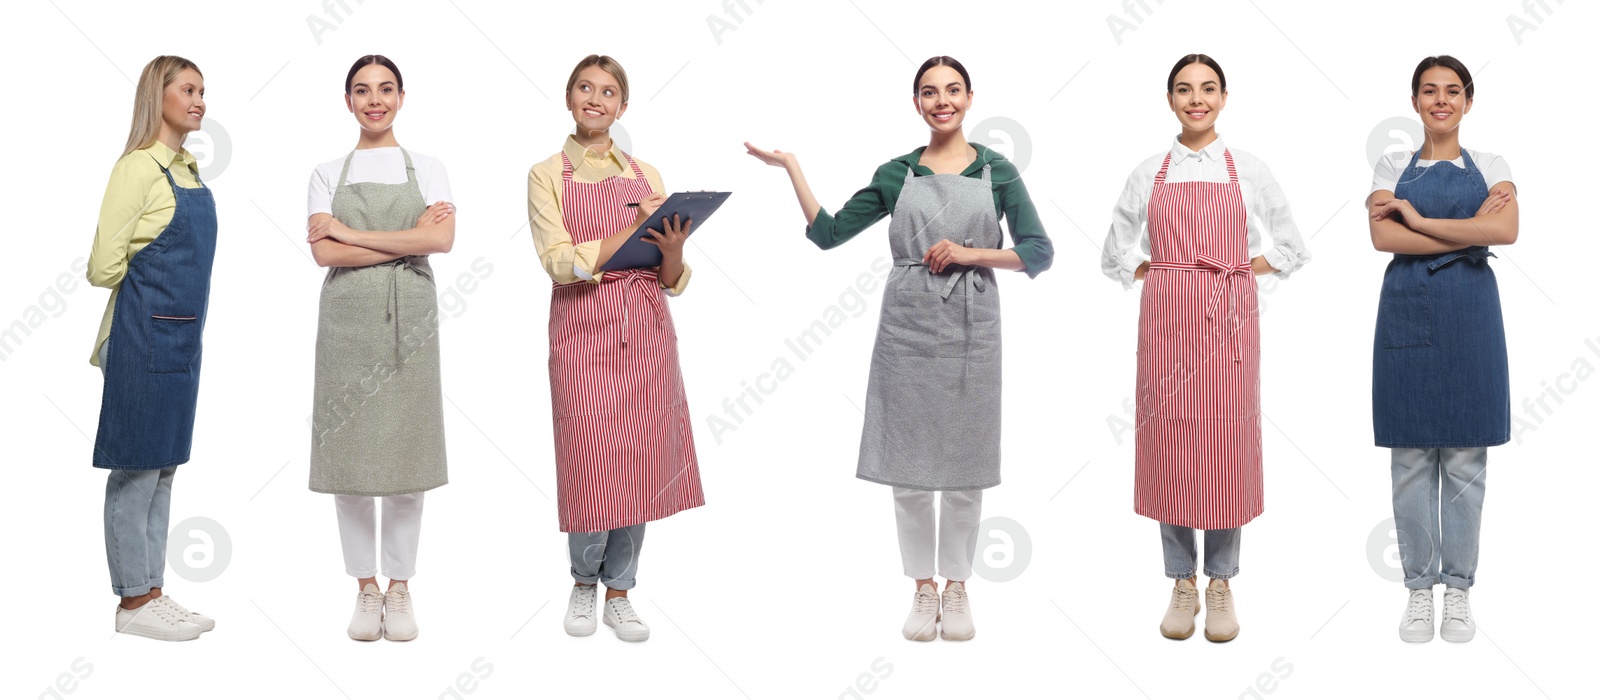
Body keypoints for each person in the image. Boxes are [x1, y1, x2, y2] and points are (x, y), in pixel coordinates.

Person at [746, 55, 1053, 641]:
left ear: (969, 98)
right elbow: (829, 234)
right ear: (916, 103)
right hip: (907, 327)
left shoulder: (999, 172)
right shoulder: (896, 173)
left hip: (972, 326)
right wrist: (791, 167)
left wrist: (970, 253)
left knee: (965, 466)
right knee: (908, 469)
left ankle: (957, 585)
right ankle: (922, 587)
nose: (942, 100)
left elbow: (1038, 252)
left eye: (953, 90)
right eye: (929, 92)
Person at [1100, 53, 1311, 643]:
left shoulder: (1248, 168)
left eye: (1208, 88)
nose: (1197, 99)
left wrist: (1238, 270)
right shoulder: (1149, 171)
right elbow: (1114, 253)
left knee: (1225, 442)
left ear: (1224, 97)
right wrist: (1167, 275)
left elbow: (1293, 245)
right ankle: (1179, 580)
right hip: (1167, 326)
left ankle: (1220, 580)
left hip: (1228, 325)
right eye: (1184, 90)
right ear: (1170, 100)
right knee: (1169, 440)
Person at [528, 54, 704, 643]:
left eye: (608, 92)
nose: (596, 99)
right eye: (585, 88)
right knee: (591, 455)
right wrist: (627, 237)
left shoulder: (647, 176)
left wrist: (672, 245)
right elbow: (557, 261)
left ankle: (621, 591)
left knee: (642, 458)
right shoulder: (546, 174)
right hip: (583, 327)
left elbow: (672, 277)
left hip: (646, 328)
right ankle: (584, 581)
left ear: (622, 107)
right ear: (570, 97)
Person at [305, 54, 455, 642]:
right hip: (345, 320)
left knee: (406, 457)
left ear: (401, 96)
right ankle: (364, 586)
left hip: (409, 320)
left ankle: (400, 586)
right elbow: (325, 255)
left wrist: (353, 232)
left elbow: (441, 239)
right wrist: (404, 239)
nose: (375, 100)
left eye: (386, 89)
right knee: (349, 460)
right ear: (348, 101)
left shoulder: (430, 166)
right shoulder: (323, 171)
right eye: (363, 91)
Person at [1368, 55, 1516, 644]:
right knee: (1409, 462)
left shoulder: (1495, 163)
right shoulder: (1391, 163)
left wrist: (1416, 217)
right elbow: (1383, 236)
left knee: (1464, 460)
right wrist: (1462, 228)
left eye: (1452, 91)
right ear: (1415, 102)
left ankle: (1458, 589)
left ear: (1468, 102)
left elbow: (1504, 231)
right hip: (1407, 311)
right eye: (1429, 91)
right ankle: (1417, 592)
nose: (1441, 101)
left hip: (1471, 315)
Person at [88, 54, 219, 641]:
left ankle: (152, 590)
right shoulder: (138, 169)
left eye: (202, 91)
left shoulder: (189, 171)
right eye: (188, 89)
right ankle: (130, 601)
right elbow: (101, 268)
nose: (199, 101)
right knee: (135, 470)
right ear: (158, 96)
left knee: (164, 469)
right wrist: (148, 297)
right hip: (141, 337)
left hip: (182, 339)